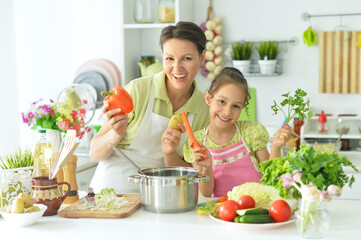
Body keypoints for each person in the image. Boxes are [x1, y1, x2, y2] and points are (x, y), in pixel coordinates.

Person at [89, 21, 210, 193]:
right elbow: (94, 154)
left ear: (202, 57)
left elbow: (193, 170)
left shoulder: (204, 108)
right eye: (169, 58)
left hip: (161, 196)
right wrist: (117, 134)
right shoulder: (138, 91)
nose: (177, 68)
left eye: (187, 58)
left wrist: (170, 154)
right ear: (162, 55)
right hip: (112, 192)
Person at [182, 67, 291, 197]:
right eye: (222, 101)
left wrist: (276, 146)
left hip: (257, 206)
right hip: (222, 211)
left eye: (236, 106)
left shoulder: (251, 132)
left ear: (242, 108)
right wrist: (207, 166)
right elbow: (206, 192)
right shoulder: (197, 141)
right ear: (208, 98)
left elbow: (271, 176)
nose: (227, 112)